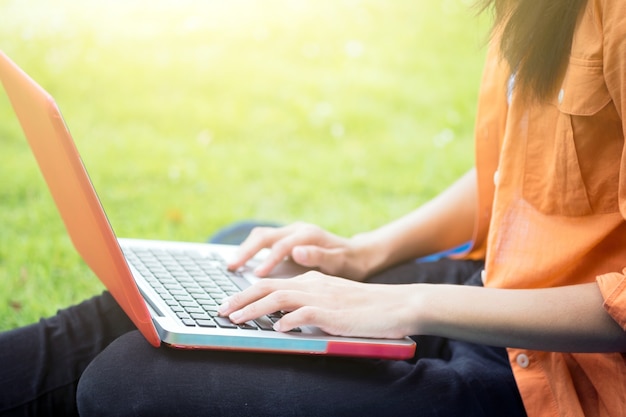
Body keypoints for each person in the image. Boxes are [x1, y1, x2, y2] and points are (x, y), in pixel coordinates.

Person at [1, 0, 626, 414]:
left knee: (126, 384)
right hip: (497, 296)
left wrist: (402, 301)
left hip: (572, 379)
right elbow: (517, 172)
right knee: (234, 266)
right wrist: (366, 252)